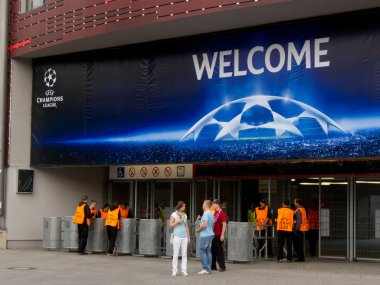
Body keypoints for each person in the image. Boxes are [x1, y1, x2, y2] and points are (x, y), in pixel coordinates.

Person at [169, 201, 190, 277]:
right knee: (176, 254)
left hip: (184, 236)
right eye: (183, 206)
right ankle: (174, 271)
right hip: (177, 236)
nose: (184, 207)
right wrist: (177, 222)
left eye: (185, 206)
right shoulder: (174, 214)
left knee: (184, 254)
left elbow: (186, 226)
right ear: (179, 207)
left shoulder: (185, 215)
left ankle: (184, 270)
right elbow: (170, 225)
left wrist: (188, 236)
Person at [195, 200, 214, 275]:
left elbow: (204, 224)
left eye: (203, 204)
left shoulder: (206, 213)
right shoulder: (211, 214)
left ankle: (205, 268)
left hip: (205, 235)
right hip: (210, 234)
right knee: (208, 251)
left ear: (206, 205)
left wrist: (198, 230)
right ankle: (209, 268)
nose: (202, 205)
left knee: (202, 250)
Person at [211, 200, 227, 272]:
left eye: (213, 204)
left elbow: (224, 224)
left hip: (218, 234)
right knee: (212, 251)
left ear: (217, 205)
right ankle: (213, 266)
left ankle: (222, 266)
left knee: (219, 251)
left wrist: (222, 234)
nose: (212, 206)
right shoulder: (213, 212)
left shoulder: (222, 213)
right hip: (212, 234)